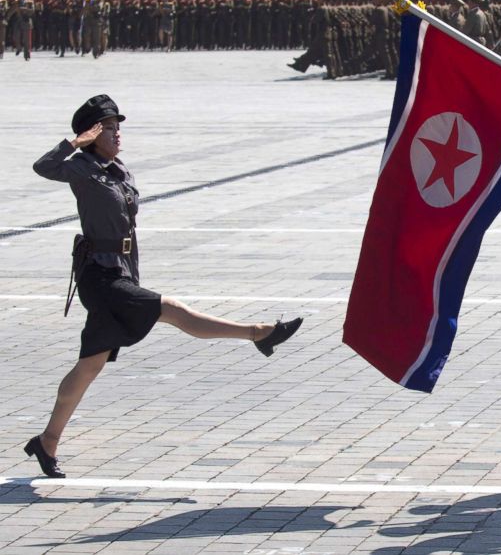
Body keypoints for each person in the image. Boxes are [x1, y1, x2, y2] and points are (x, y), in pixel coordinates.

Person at [27, 95, 304, 479]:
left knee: (89, 365)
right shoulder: (80, 168)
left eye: (117, 126)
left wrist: (132, 276)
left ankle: (46, 441)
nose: (116, 134)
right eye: (107, 128)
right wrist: (75, 141)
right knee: (169, 309)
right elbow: (43, 166)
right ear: (91, 134)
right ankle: (258, 333)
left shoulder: (118, 170)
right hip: (100, 277)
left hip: (120, 272)